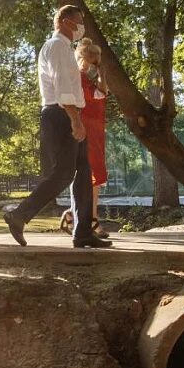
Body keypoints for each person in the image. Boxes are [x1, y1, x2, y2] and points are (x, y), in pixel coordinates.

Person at [3, 6, 112, 248]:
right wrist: (74, 119)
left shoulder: (66, 48)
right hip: (61, 114)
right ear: (64, 22)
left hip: (71, 113)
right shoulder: (57, 47)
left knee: (84, 173)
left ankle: (82, 231)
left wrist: (77, 117)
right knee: (64, 173)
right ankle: (19, 214)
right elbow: (63, 88)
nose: (81, 27)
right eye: (78, 22)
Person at [60, 38, 110, 239]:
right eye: (92, 61)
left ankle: (78, 215)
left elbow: (103, 93)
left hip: (96, 129)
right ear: (82, 59)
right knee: (90, 173)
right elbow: (97, 96)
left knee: (94, 174)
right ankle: (89, 218)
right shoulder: (78, 79)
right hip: (86, 128)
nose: (94, 65)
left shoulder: (90, 79)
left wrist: (101, 74)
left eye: (97, 62)